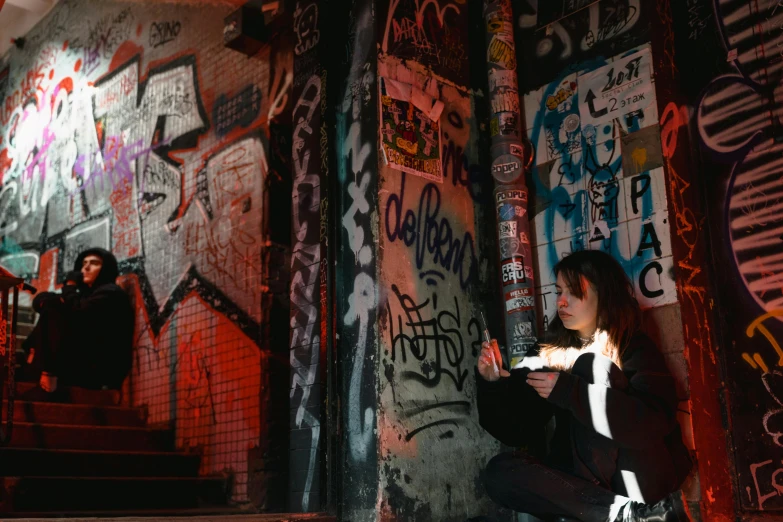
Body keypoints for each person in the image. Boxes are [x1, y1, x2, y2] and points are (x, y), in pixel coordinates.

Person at [476, 250, 693, 522]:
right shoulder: (547, 352)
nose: (562, 301)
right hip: (588, 496)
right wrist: (492, 383)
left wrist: (570, 391)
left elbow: (653, 423)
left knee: (592, 365)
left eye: (574, 292)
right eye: (558, 291)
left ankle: (609, 511)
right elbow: (514, 429)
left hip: (639, 477)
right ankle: (621, 515)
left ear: (603, 295)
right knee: (499, 473)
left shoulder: (633, 346)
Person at [22, 247, 134, 396]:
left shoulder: (111, 293)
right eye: (84, 263)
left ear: (106, 268)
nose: (86, 268)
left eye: (94, 263)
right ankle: (37, 369)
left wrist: (69, 286)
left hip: (100, 370)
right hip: (81, 363)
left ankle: (46, 376)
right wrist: (48, 300)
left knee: (55, 309)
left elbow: (79, 312)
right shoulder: (84, 295)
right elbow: (41, 300)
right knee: (53, 307)